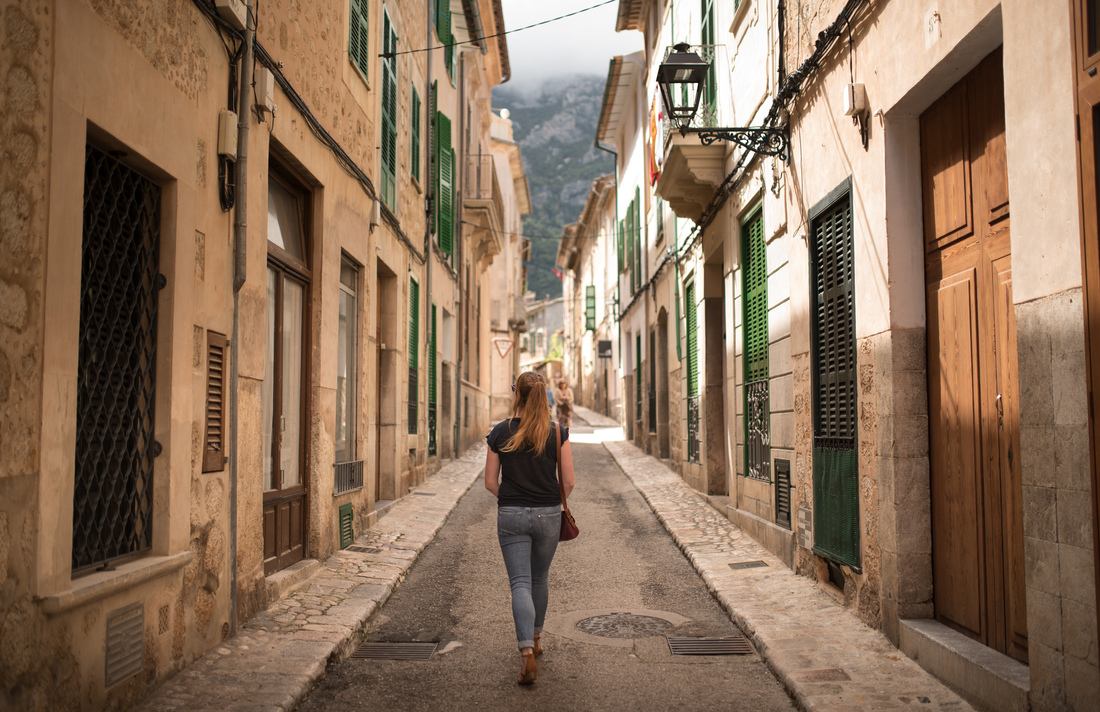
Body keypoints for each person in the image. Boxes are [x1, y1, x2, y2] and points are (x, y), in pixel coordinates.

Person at [484, 371, 575, 685]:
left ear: (516, 394)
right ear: (542, 394)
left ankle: (525, 653)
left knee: (520, 582)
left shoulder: (499, 432)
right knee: (539, 578)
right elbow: (569, 481)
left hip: (510, 514)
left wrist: (510, 498)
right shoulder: (557, 432)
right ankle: (536, 640)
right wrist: (548, 501)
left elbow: (489, 482)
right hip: (548, 514)